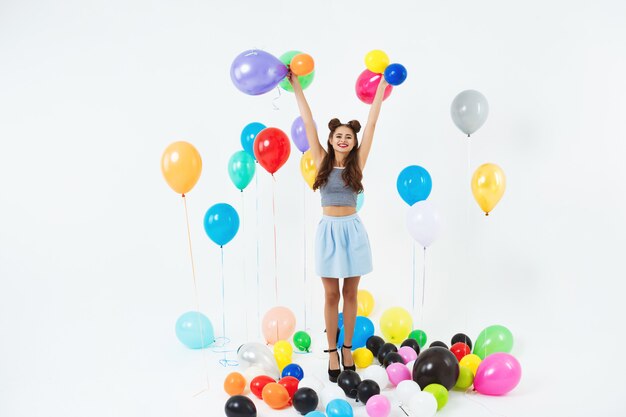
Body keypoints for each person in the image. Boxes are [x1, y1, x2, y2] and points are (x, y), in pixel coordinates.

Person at [288, 71, 388, 382]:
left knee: (351, 292)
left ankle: (347, 347)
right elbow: (308, 122)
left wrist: (382, 85)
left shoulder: (358, 163)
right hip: (328, 232)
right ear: (331, 140)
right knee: (331, 295)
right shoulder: (321, 159)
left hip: (353, 231)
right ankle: (331, 350)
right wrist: (295, 86)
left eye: (349, 136)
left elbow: (371, 124)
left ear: (354, 141)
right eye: (338, 135)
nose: (343, 139)